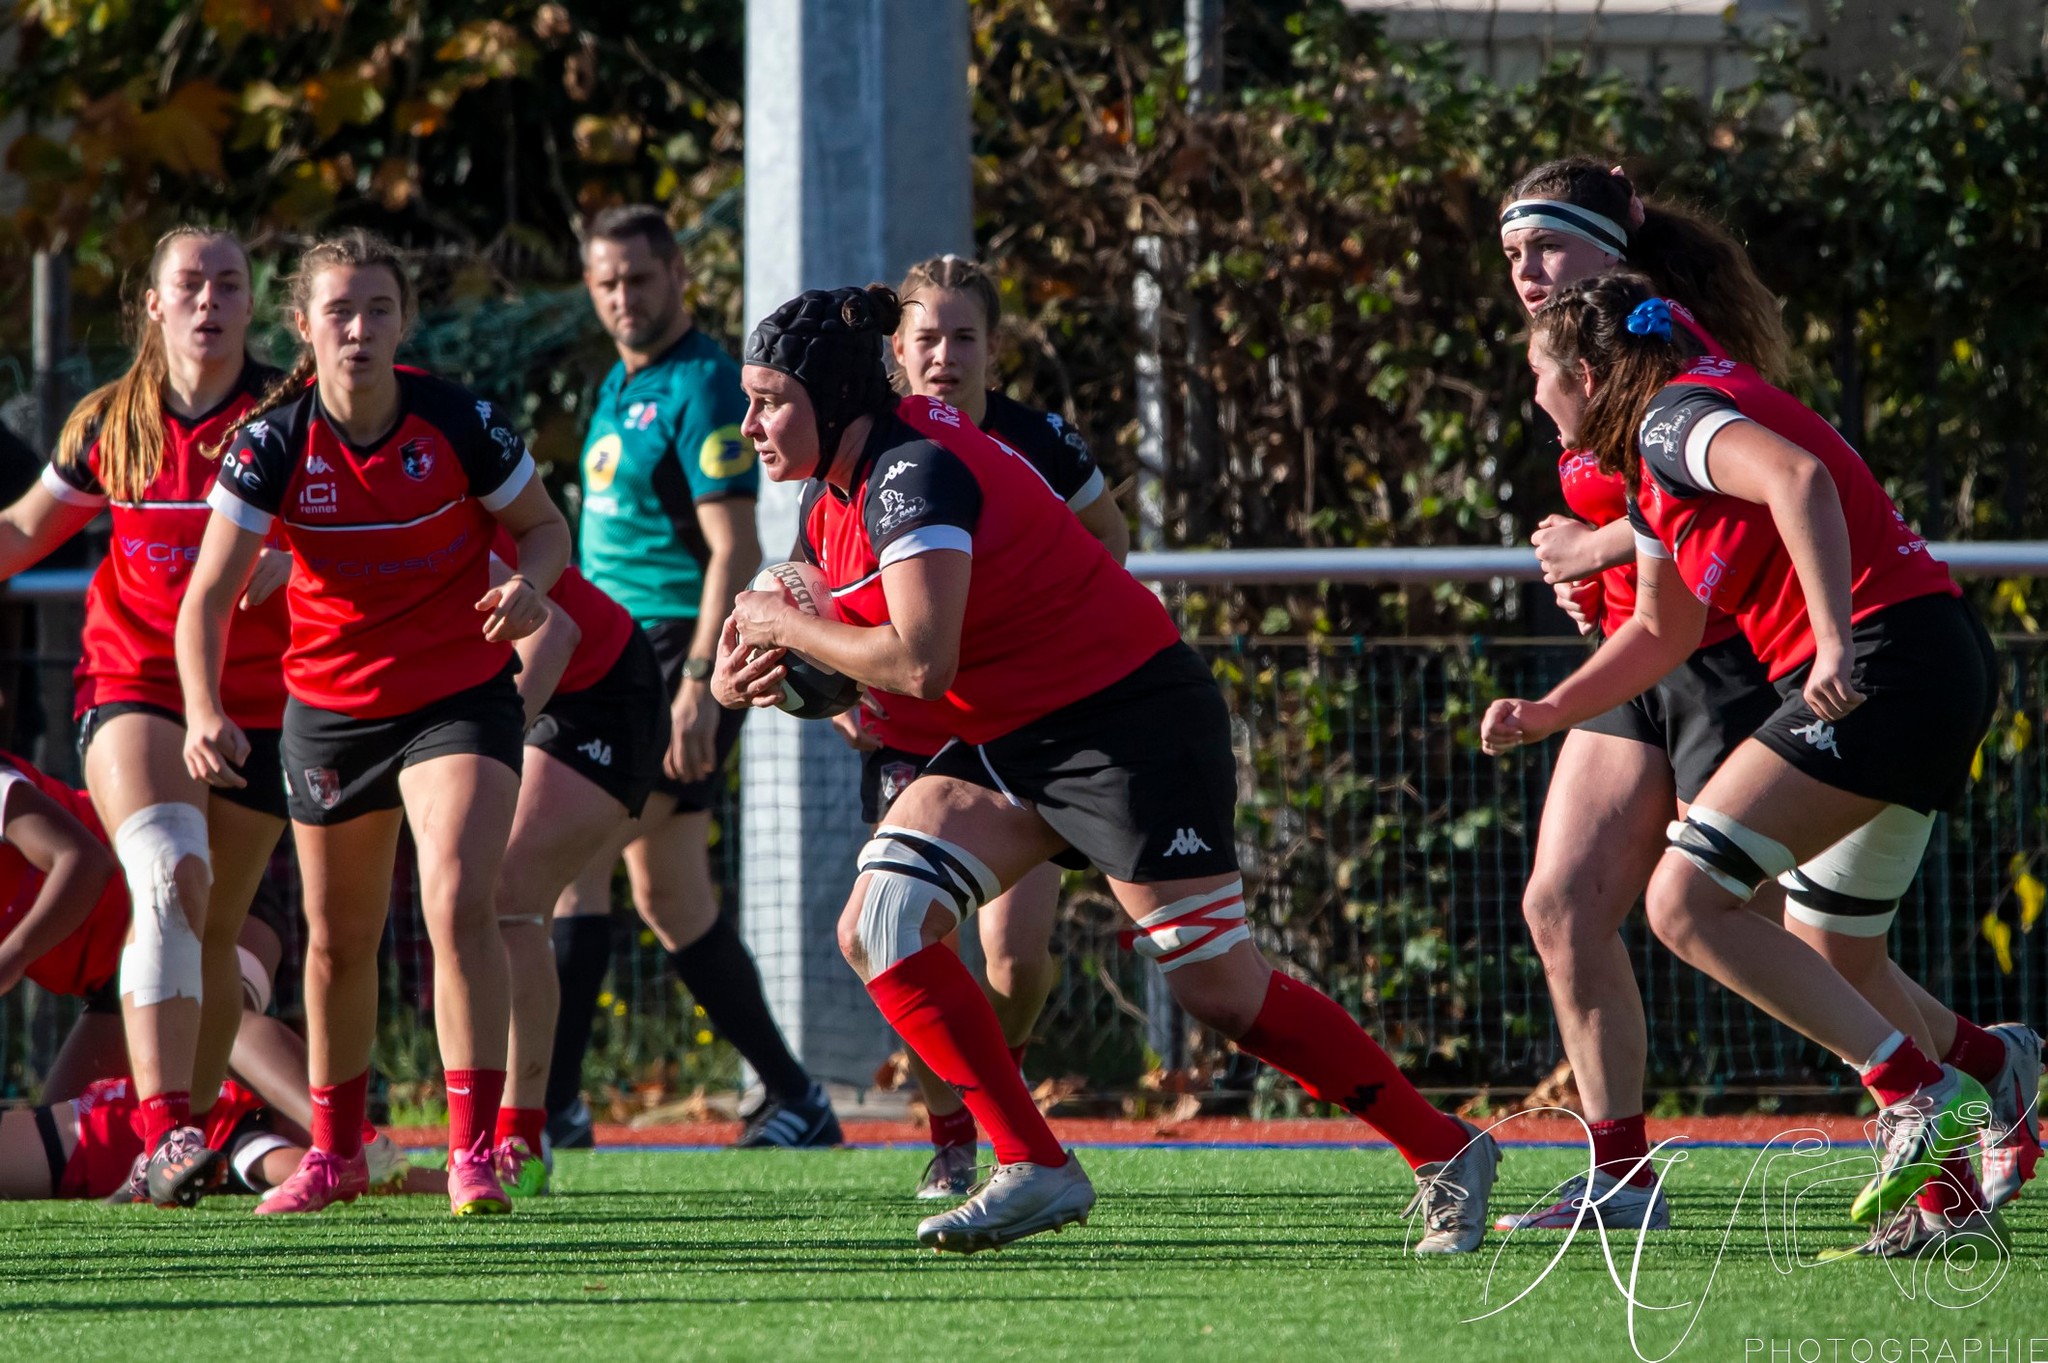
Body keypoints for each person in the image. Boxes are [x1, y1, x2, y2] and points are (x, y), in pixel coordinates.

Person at [715, 284, 1501, 1255]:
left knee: (1220, 991)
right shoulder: (833, 489)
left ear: (830, 398)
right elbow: (809, 618)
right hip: (1015, 735)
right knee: (880, 924)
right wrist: (742, 656)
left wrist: (782, 627)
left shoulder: (909, 471)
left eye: (768, 399)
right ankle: (1034, 1164)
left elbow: (920, 664)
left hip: (1128, 720)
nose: (749, 422)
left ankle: (1443, 1148)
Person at [1495, 161, 2040, 1234]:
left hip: (1857, 667)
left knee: (1687, 902)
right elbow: (1658, 619)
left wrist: (1834, 641)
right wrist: (1547, 709)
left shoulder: (1668, 412)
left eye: (1543, 251)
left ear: (1590, 364)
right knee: (1826, 942)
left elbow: (1792, 482)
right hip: (1910, 662)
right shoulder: (1660, 414)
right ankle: (1958, 1144)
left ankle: (1919, 1096)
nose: (1523, 275)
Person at [176, 228, 572, 1217]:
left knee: (455, 902)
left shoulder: (456, 422)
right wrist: (202, 709)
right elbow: (207, 596)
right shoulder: (274, 442)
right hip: (332, 712)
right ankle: (337, 1157)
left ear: (404, 321)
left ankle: (472, 1151)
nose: (359, 329)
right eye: (339, 312)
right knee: (335, 943)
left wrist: (530, 589)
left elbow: (545, 528)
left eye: (379, 309)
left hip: (455, 700)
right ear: (304, 327)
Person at [0, 226, 291, 1206]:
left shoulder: (289, 416)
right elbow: (22, 533)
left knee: (224, 934)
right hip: (133, 688)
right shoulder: (111, 421)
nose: (210, 299)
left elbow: (346, 550)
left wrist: (300, 569)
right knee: (167, 866)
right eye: (189, 283)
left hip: (261, 707)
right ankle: (166, 1132)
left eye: (229, 283)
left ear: (252, 306)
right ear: (153, 305)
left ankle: (248, 1131)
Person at [549, 203, 834, 1151]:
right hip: (620, 654)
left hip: (670, 652)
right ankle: (797, 1096)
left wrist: (698, 682)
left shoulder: (707, 384)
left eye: (639, 277)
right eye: (607, 282)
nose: (624, 297)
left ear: (676, 276)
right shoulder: (617, 383)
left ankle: (550, 1106)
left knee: (566, 865)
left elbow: (732, 547)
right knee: (668, 894)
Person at [844, 253, 1129, 1198]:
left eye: (965, 336)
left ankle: (992, 1098)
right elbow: (825, 585)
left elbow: (1111, 543)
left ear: (994, 352)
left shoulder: (1035, 441)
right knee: (911, 934)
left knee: (1013, 954)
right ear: (896, 351)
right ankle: (953, 1134)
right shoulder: (866, 449)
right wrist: (839, 686)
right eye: (926, 336)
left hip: (1019, 726)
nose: (944, 354)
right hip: (913, 731)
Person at [488, 532, 667, 1196]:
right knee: (471, 898)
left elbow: (553, 631)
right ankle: (492, 1123)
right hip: (538, 690)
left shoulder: (429, 501)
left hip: (601, 691)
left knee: (510, 894)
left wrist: (488, 748)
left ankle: (523, 1131)